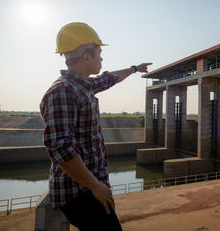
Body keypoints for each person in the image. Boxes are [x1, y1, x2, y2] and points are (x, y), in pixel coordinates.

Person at [40, 22, 152, 230]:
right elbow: (61, 148)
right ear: (87, 57)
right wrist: (95, 186)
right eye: (99, 53)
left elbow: (109, 79)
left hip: (90, 187)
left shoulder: (84, 85)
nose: (102, 58)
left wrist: (135, 69)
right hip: (80, 193)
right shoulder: (63, 91)